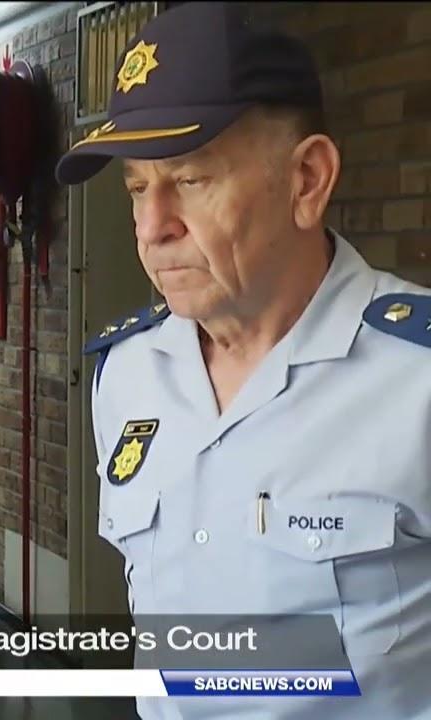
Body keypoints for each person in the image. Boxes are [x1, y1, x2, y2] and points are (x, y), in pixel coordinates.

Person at [58, 3, 431, 719]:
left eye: (191, 180)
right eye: (136, 187)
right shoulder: (125, 373)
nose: (152, 227)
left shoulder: (414, 378)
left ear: (307, 180)